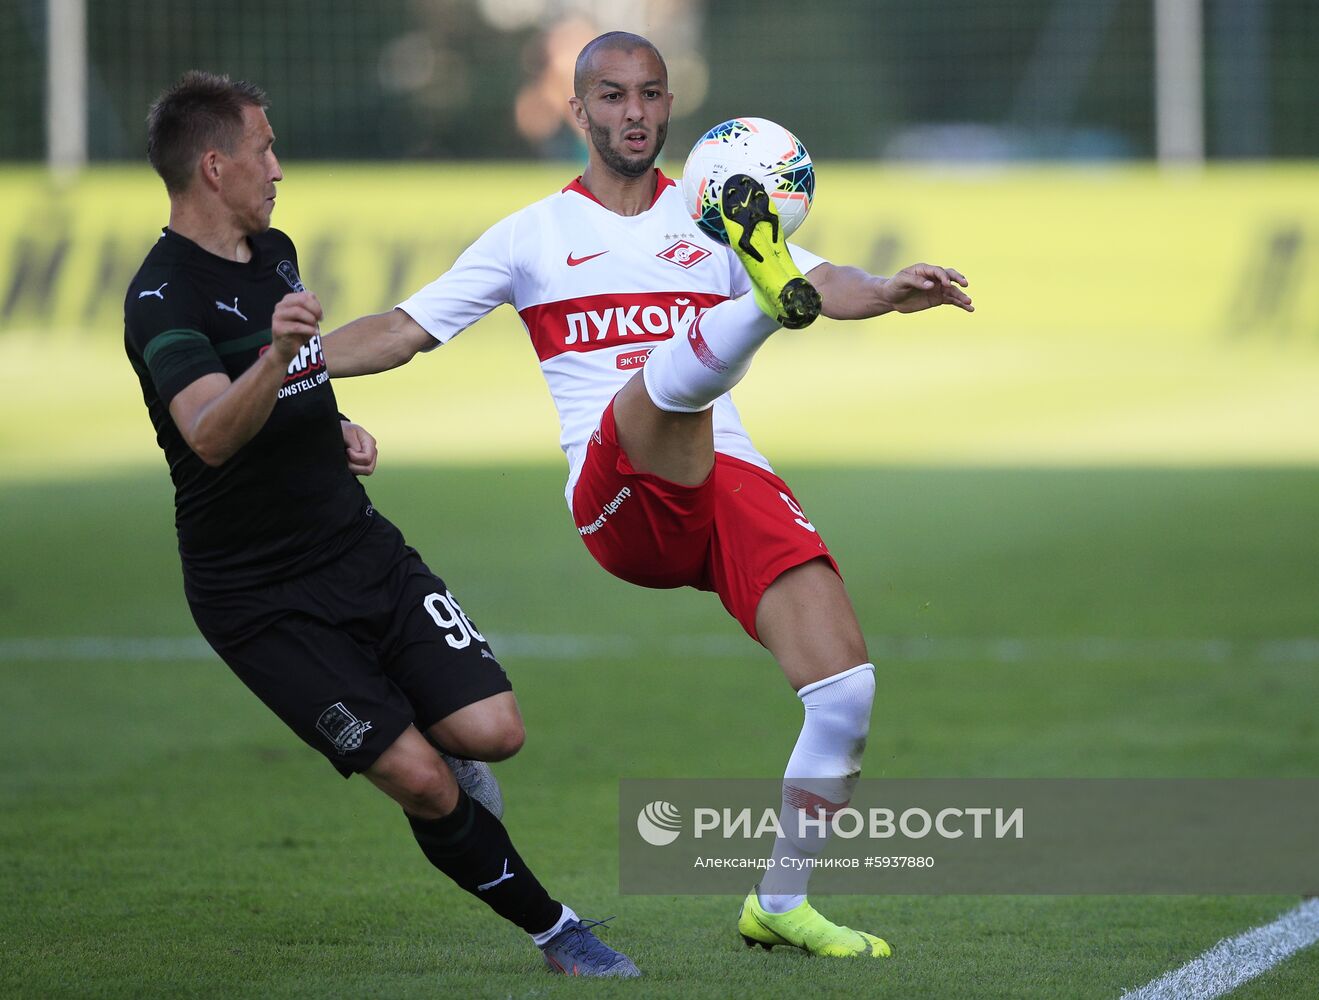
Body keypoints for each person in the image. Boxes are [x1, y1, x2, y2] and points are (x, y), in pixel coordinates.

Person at [303, 32, 973, 959]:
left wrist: (890, 288)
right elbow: (402, 330)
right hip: (618, 496)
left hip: (724, 481)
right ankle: (753, 310)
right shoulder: (533, 235)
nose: (633, 113)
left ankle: (779, 902)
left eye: (650, 95)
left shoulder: (710, 211)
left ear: (669, 107)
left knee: (845, 692)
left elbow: (828, 280)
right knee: (661, 379)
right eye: (611, 96)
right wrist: (282, 368)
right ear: (578, 112)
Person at [123, 70, 639, 979]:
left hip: (358, 548)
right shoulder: (161, 297)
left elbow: (296, 383)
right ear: (213, 167)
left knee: (494, 734)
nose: (277, 168)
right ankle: (558, 932)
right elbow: (208, 432)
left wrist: (328, 418)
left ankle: (421, 741)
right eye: (263, 149)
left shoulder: (273, 251)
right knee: (424, 782)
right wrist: (285, 361)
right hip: (258, 597)